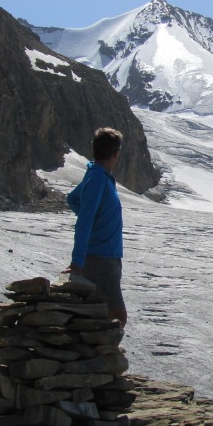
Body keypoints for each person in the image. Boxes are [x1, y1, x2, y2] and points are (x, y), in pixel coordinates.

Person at [65, 127, 127, 326]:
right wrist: (77, 261)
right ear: (115, 153)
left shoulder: (96, 175)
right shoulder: (99, 179)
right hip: (102, 258)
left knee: (99, 313)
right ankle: (104, 355)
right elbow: (84, 220)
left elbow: (73, 199)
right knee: (117, 315)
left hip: (103, 255)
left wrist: (94, 219)